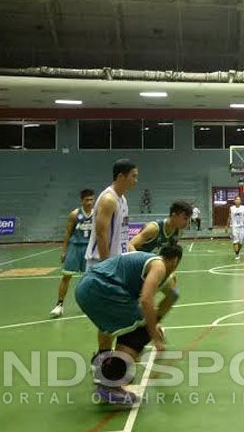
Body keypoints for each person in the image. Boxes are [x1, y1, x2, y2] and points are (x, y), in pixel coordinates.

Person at [75, 245, 182, 406]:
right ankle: (110, 382)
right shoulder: (159, 265)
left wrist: (155, 320)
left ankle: (103, 363)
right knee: (142, 329)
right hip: (101, 288)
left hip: (85, 289)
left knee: (113, 324)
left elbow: (173, 295)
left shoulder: (149, 261)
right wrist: (154, 334)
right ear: (175, 261)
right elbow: (146, 300)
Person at [85, 159, 138, 355]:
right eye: (133, 176)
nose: (136, 180)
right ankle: (103, 357)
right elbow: (101, 233)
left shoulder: (122, 200)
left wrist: (129, 251)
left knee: (114, 314)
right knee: (108, 314)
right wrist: (108, 266)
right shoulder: (108, 199)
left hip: (118, 262)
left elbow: (120, 233)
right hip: (103, 263)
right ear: (120, 176)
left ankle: (106, 354)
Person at [50, 189, 96, 318]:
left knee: (90, 279)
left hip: (89, 249)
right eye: (87, 200)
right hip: (75, 247)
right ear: (82, 201)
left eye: (91, 199)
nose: (89, 202)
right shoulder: (74, 214)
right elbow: (67, 233)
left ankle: (89, 305)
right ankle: (59, 305)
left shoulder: (97, 214)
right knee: (66, 276)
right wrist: (64, 250)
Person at [227, 196, 244, 260]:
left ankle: (237, 251)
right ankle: (237, 254)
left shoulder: (243, 207)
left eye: (239, 199)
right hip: (234, 226)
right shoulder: (231, 208)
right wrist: (226, 227)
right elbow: (229, 217)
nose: (238, 200)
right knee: (235, 241)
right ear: (234, 201)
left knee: (241, 242)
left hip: (241, 226)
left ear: (240, 201)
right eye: (236, 199)